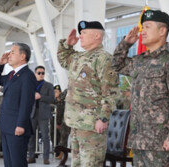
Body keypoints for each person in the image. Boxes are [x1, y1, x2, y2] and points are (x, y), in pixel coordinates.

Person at [111, 10, 169, 167]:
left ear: (162, 31)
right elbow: (117, 65)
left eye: (147, 27)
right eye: (143, 27)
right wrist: (126, 43)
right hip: (139, 140)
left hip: (160, 143)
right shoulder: (141, 61)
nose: (142, 31)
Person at [57, 20, 119, 166]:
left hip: (92, 124)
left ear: (97, 35)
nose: (80, 36)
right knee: (77, 164)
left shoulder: (104, 58)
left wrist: (103, 118)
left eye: (84, 33)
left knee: (90, 164)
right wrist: (67, 45)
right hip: (76, 122)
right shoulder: (79, 57)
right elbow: (63, 59)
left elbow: (110, 91)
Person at [0, 42, 37, 167]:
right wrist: (0, 64)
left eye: (12, 52)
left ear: (22, 56)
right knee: (9, 163)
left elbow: (26, 103)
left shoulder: (27, 76)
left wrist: (21, 125)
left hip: (17, 127)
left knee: (17, 163)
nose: (9, 55)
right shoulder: (12, 75)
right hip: (7, 125)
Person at [27, 66, 54, 165]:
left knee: (45, 137)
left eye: (43, 73)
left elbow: (52, 99)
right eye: (39, 73)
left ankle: (46, 158)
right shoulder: (30, 85)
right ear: (35, 74)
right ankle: (31, 157)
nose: (41, 75)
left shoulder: (49, 85)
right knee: (31, 136)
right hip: (32, 113)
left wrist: (41, 97)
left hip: (43, 114)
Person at [51, 85, 70, 160]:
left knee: (63, 137)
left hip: (64, 121)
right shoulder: (54, 100)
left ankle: (62, 153)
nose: (55, 93)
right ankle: (57, 151)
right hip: (56, 122)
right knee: (54, 135)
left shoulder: (64, 97)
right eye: (54, 92)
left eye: (56, 92)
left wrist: (59, 124)